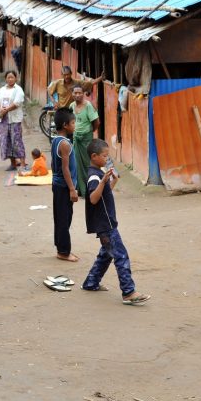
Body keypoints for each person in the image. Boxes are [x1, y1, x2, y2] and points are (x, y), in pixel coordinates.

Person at [82, 139, 151, 305]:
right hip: (106, 225)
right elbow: (93, 198)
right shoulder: (94, 176)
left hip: (107, 222)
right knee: (121, 256)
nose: (107, 159)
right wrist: (104, 181)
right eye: (104, 156)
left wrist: (113, 181)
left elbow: (105, 194)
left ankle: (91, 283)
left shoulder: (99, 173)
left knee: (105, 255)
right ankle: (128, 292)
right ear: (94, 156)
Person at [51, 108, 80, 262]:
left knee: (61, 217)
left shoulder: (56, 140)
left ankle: (60, 247)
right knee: (64, 219)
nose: (75, 125)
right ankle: (63, 252)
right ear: (65, 125)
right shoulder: (64, 144)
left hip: (58, 184)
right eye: (73, 122)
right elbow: (65, 168)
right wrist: (72, 189)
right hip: (63, 186)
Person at [70, 84, 100, 197]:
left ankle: (91, 189)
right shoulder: (71, 106)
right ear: (72, 94)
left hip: (86, 139)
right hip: (76, 139)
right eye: (75, 93)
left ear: (83, 94)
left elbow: (96, 122)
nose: (77, 95)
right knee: (76, 164)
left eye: (80, 93)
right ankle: (81, 190)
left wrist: (90, 132)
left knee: (88, 164)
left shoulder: (88, 106)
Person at [0, 70, 27, 171]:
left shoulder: (18, 90)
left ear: (15, 78)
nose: (10, 79)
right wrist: (0, 109)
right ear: (5, 78)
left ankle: (22, 164)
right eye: (8, 77)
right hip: (3, 119)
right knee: (6, 141)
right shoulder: (2, 89)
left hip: (14, 119)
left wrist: (6, 110)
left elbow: (17, 103)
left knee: (16, 141)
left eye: (12, 77)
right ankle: (13, 163)